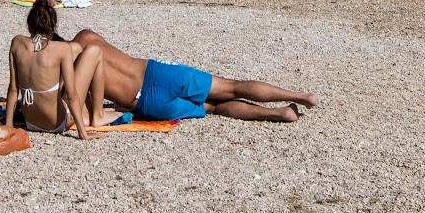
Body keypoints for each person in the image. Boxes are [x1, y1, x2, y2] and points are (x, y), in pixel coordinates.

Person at [71, 29, 316, 123]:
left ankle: (279, 114)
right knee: (231, 87)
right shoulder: (87, 36)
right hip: (160, 72)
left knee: (214, 108)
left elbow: (77, 104)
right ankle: (299, 95)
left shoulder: (74, 68)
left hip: (149, 104)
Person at [6, 0, 125, 139]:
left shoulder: (17, 43)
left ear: (28, 25)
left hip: (31, 121)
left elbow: (13, 89)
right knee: (94, 51)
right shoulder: (62, 49)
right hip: (56, 123)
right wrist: (83, 133)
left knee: (76, 48)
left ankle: (89, 111)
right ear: (54, 27)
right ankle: (98, 115)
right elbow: (71, 94)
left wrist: (8, 127)